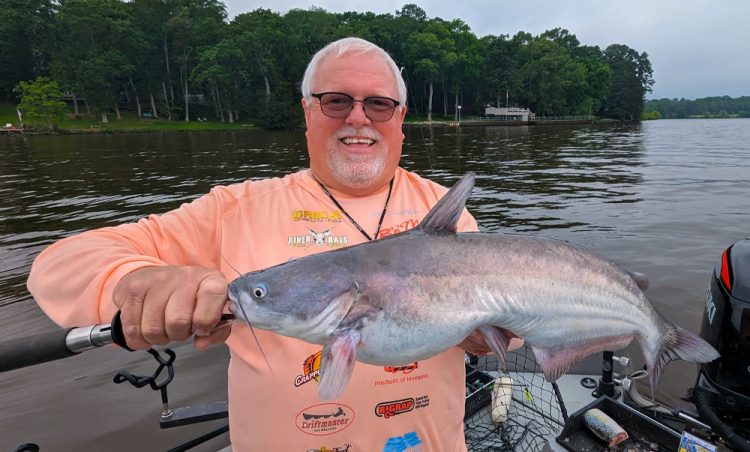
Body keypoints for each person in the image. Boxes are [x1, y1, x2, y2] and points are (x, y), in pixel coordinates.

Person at [28, 37, 512, 451]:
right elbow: (59, 263)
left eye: (378, 104)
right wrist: (136, 280)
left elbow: (501, 323)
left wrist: (493, 336)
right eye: (337, 101)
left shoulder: (442, 209)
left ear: (400, 117)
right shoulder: (234, 208)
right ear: (308, 112)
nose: (358, 118)